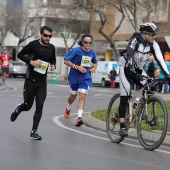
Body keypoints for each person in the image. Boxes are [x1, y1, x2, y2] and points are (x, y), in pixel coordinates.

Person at [118, 22, 170, 137]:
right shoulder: (135, 41)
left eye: (154, 34)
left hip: (138, 69)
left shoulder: (153, 44)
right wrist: (131, 70)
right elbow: (130, 55)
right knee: (126, 92)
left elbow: (161, 60)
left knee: (150, 87)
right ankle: (122, 125)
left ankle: (134, 113)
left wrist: (167, 75)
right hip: (126, 67)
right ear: (144, 34)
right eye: (152, 34)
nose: (154, 36)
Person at [10, 26, 56, 140]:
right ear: (40, 34)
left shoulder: (52, 48)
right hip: (30, 80)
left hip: (42, 82)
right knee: (28, 106)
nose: (47, 38)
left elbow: (53, 58)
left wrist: (53, 65)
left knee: (40, 105)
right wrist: (32, 62)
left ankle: (34, 131)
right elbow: (20, 55)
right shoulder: (33, 45)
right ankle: (18, 109)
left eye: (50, 36)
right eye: (45, 35)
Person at [64, 34, 98, 126]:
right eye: (86, 42)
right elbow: (66, 60)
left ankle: (79, 118)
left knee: (82, 96)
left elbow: (95, 63)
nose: (87, 44)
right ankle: (68, 107)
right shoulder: (76, 51)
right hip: (74, 77)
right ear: (82, 42)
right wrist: (76, 67)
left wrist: (93, 68)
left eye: (89, 42)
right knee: (73, 97)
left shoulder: (92, 53)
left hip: (85, 77)